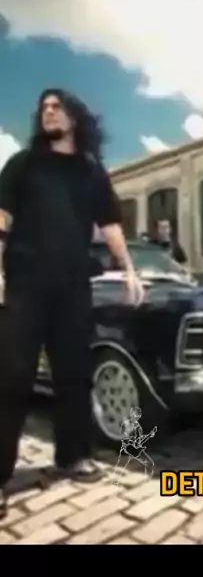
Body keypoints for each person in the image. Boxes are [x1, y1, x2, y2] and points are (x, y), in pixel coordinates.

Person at [0, 88, 144, 517]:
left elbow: (111, 223)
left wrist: (129, 268)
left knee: (74, 374)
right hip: (26, 284)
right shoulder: (23, 164)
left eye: (56, 106)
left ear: (74, 117)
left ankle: (72, 455)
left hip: (73, 287)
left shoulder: (91, 170)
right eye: (43, 107)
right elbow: (2, 218)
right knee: (13, 376)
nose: (47, 111)